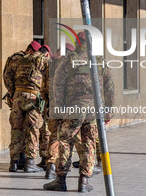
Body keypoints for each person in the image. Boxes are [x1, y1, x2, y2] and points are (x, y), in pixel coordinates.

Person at [43, 31, 115, 192]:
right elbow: (110, 88)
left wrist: (60, 108)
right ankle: (83, 182)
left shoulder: (69, 60)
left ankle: (60, 180)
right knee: (89, 143)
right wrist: (108, 112)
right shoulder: (100, 61)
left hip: (73, 108)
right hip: (93, 109)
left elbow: (58, 85)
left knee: (66, 142)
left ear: (76, 43)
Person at [4, 41, 49, 172]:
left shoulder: (20, 59)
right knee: (33, 130)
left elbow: (7, 75)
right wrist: (46, 96)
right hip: (33, 98)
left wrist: (12, 92)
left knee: (16, 130)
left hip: (17, 97)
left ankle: (13, 163)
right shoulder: (42, 59)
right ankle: (30, 163)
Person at [45, 43, 75, 179]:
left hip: (54, 106)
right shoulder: (73, 64)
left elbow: (43, 86)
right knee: (69, 139)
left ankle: (51, 167)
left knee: (54, 136)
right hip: (69, 107)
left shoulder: (51, 64)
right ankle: (63, 170)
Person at [37, 45, 52, 171]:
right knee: (46, 131)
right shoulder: (50, 65)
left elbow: (44, 88)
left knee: (45, 131)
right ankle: (47, 161)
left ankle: (46, 160)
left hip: (46, 103)